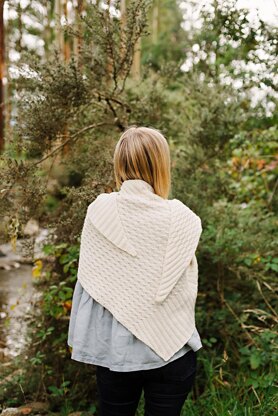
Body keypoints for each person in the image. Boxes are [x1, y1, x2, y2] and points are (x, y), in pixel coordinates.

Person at [67, 125, 203, 416]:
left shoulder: (100, 210)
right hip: (174, 349)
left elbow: (90, 284)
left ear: (120, 163)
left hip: (117, 355)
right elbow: (185, 286)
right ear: (161, 165)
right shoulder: (181, 217)